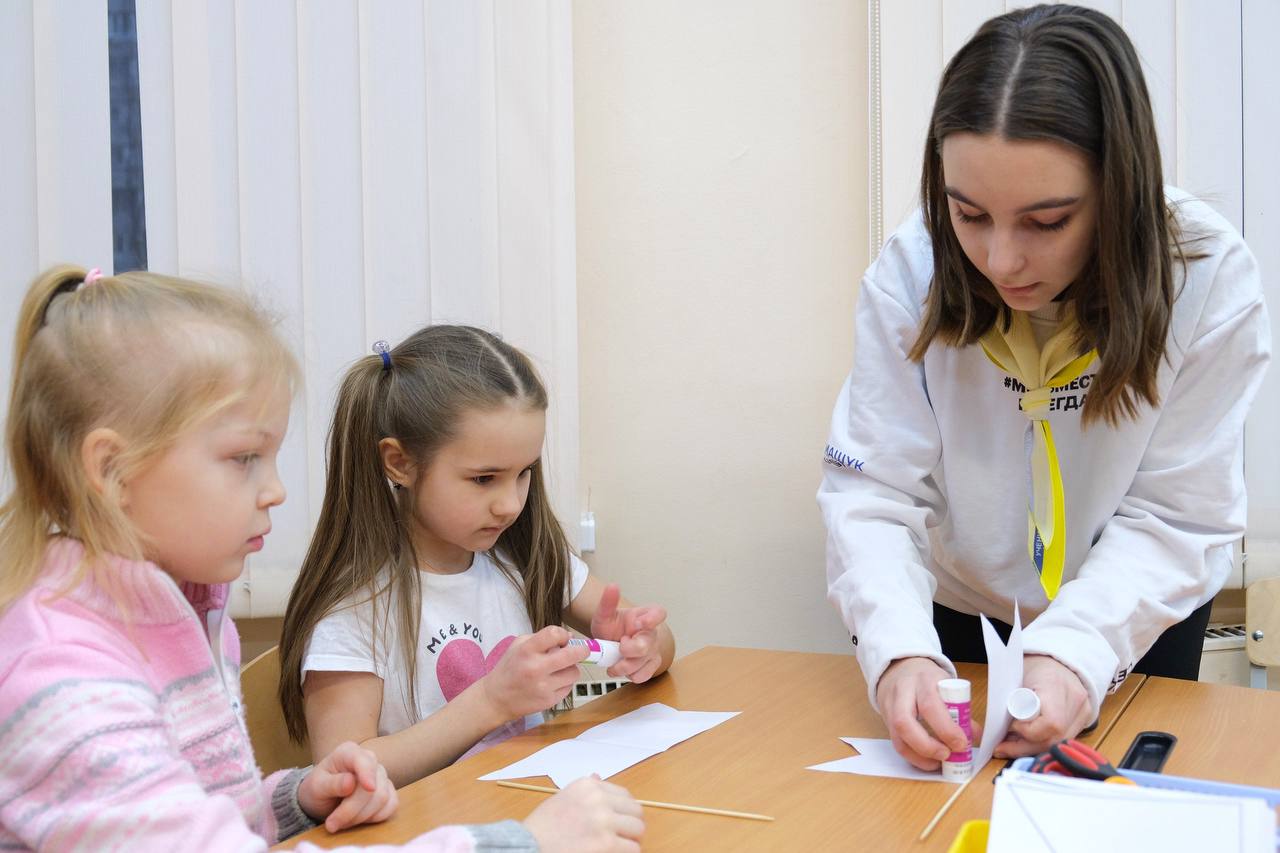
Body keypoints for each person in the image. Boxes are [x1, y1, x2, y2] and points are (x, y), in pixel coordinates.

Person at [0, 266, 644, 852]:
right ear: (112, 470)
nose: (276, 490)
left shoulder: (179, 616)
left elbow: (198, 817)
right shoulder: (64, 682)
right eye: (244, 458)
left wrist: (296, 798)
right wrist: (519, 845)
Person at [819, 4, 1270, 772]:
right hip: (963, 612)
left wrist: (1075, 652)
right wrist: (898, 651)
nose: (1001, 260)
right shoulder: (912, 268)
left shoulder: (1206, 278)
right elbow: (875, 490)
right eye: (969, 213)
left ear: (1118, 189)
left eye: (1047, 221)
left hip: (1136, 614)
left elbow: (1175, 514)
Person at [278, 325, 676, 788]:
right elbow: (341, 774)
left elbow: (663, 645)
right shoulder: (356, 608)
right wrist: (491, 701)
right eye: (484, 479)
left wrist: (641, 645)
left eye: (524, 473)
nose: (510, 504)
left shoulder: (525, 555)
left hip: (526, 803)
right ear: (400, 464)